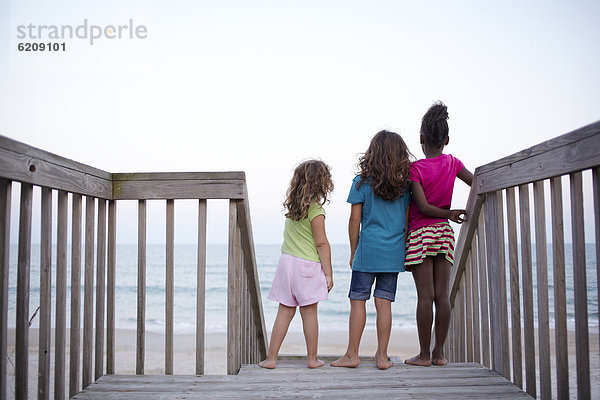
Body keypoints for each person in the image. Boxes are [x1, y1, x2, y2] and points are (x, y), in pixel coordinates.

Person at [331, 130, 412, 370]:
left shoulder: (361, 182)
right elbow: (407, 222)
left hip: (367, 251)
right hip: (393, 252)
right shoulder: (405, 185)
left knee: (358, 301)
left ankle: (352, 355)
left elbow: (354, 222)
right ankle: (382, 356)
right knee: (384, 303)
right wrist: (404, 250)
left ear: (372, 153)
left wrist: (353, 252)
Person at [404, 101, 473, 367]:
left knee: (426, 296)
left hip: (421, 233)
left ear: (421, 138)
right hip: (443, 234)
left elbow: (421, 207)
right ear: (447, 139)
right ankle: (439, 354)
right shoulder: (453, 163)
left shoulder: (416, 169)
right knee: (442, 296)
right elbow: (477, 180)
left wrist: (447, 213)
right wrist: (453, 213)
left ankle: (423, 355)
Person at [259, 160, 334, 369]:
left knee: (284, 311)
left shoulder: (293, 209)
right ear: (322, 183)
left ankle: (271, 358)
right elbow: (321, 243)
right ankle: (312, 359)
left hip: (286, 263)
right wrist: (328, 274)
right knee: (309, 313)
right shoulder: (315, 209)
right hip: (306, 266)